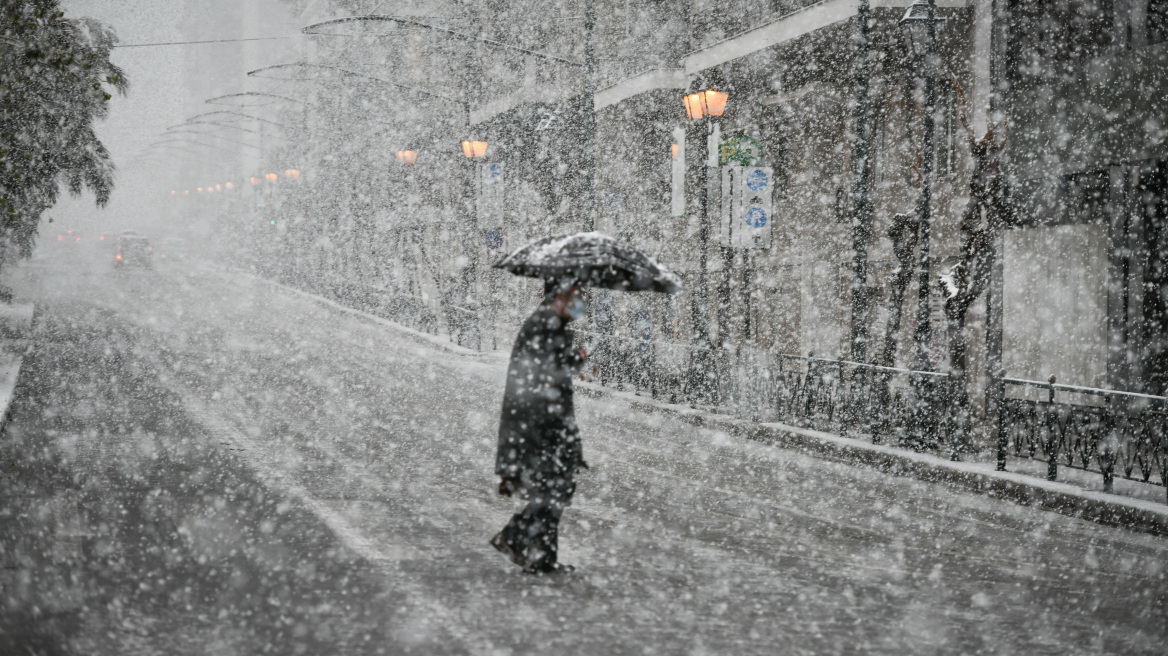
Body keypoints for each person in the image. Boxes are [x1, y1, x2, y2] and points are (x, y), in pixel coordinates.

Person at [491, 280, 588, 574]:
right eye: (576, 296)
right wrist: (575, 359)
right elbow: (545, 375)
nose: (580, 303)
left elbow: (548, 369)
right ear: (560, 296)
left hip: (544, 423)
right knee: (552, 492)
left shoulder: (548, 325)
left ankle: (540, 558)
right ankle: (516, 539)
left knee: (552, 492)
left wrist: (571, 359)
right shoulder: (545, 326)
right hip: (541, 425)